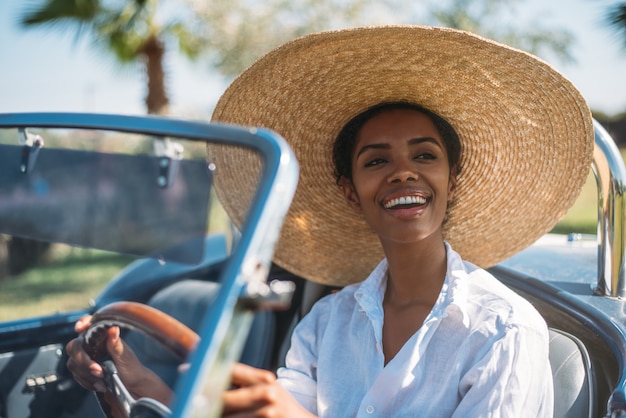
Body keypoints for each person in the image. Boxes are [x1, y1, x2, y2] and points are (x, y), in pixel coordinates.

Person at [66, 25, 594, 417]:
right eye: (376, 161)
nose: (403, 173)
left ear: (452, 180)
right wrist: (132, 380)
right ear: (350, 192)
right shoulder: (326, 322)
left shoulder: (503, 328)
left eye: (425, 156)